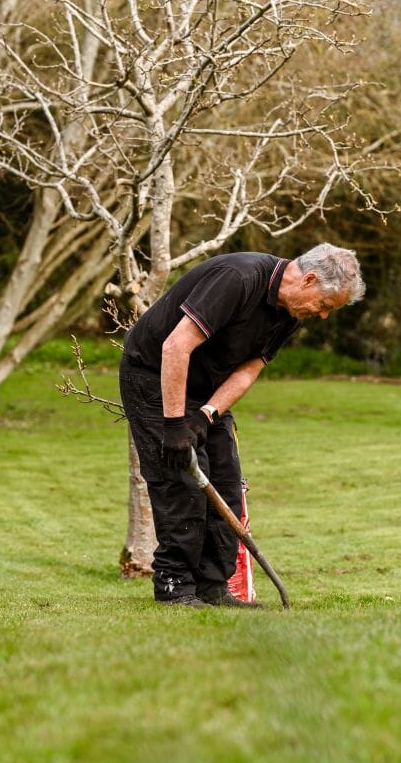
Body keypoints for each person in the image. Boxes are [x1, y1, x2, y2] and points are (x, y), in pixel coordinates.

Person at [119, 243, 365, 608]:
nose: (324, 315)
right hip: (155, 376)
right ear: (309, 279)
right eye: (325, 305)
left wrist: (207, 414)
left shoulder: (289, 313)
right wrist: (174, 425)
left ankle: (212, 587)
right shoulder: (238, 279)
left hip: (207, 389)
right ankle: (175, 587)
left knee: (227, 483)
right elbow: (175, 347)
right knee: (182, 481)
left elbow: (250, 368)